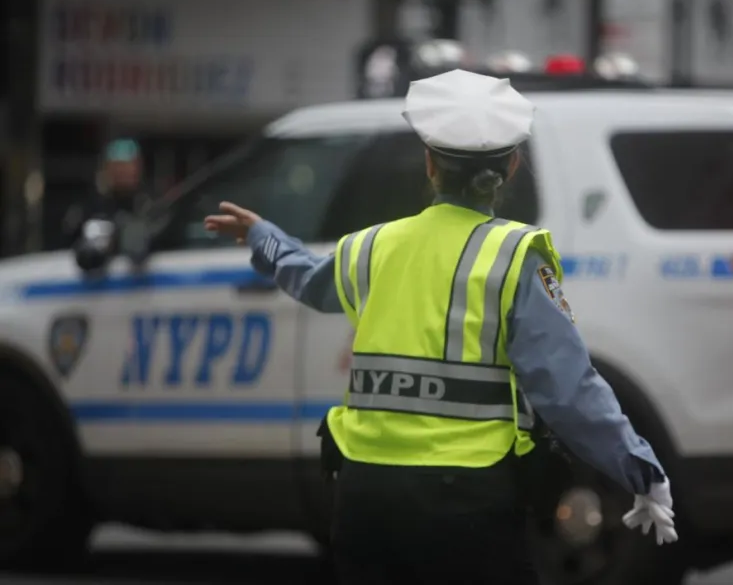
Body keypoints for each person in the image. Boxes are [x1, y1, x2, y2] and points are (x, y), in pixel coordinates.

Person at [204, 69, 677, 585]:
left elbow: (307, 279)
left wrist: (263, 236)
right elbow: (568, 389)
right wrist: (641, 470)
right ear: (512, 166)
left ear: (429, 165)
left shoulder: (370, 247)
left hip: (364, 497)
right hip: (465, 503)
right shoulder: (514, 257)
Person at [64, 138, 153, 269]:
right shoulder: (91, 207)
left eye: (127, 166)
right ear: (107, 169)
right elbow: (70, 243)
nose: (122, 172)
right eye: (116, 166)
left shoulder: (151, 206)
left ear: (138, 168)